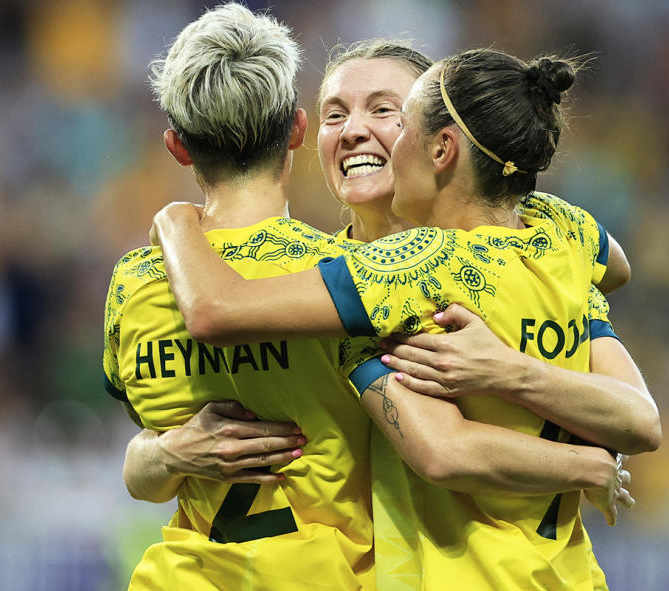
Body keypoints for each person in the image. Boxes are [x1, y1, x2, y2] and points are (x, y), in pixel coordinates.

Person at [106, 11, 637, 590]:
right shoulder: (317, 286)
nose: (355, 129)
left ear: (437, 140)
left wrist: (511, 371)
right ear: (305, 133)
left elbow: (633, 415)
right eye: (337, 113)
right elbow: (156, 444)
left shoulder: (526, 257)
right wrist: (165, 453)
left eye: (386, 111)